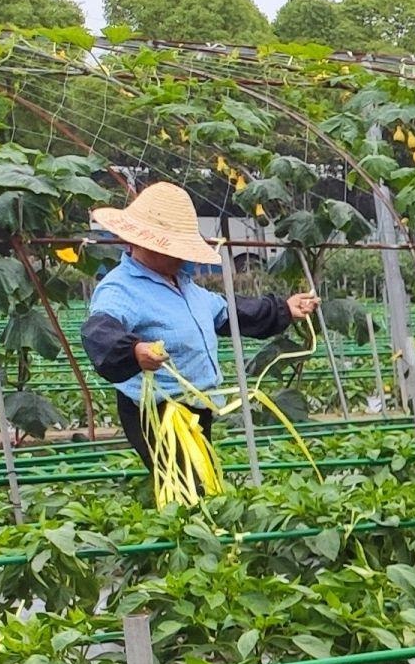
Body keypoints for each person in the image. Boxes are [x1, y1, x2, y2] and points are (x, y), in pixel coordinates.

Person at [79, 182, 317, 504]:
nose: (181, 256)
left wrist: (283, 309)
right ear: (149, 243)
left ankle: (196, 531)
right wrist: (134, 351)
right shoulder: (120, 289)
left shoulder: (183, 283)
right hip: (157, 412)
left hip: (196, 405)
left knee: (197, 482)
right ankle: (189, 540)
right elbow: (99, 330)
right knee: (186, 489)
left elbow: (229, 313)